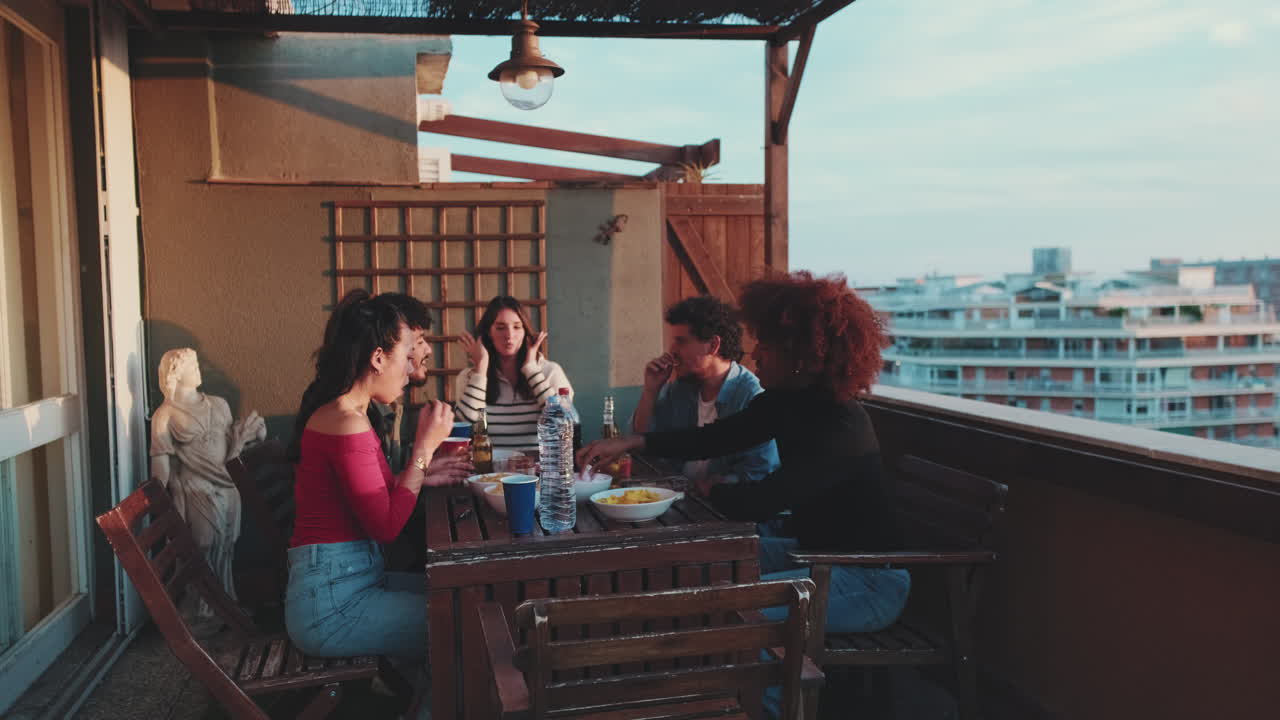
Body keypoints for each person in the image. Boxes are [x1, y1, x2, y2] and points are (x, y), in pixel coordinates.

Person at [579, 271, 910, 636]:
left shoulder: (840, 426)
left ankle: (760, 695)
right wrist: (633, 442)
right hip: (814, 554)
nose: (756, 356)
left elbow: (762, 501)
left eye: (766, 346)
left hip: (866, 578)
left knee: (732, 614)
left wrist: (710, 490)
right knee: (688, 570)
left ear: (799, 356)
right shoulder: (786, 402)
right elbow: (715, 439)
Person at [285, 289, 459, 661]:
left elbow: (369, 496)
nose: (412, 369)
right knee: (461, 621)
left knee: (459, 594)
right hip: (333, 607)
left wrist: (420, 473)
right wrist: (424, 452)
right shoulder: (346, 422)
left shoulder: (347, 414)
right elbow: (386, 526)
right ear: (378, 358)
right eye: (406, 356)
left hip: (343, 585)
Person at [150, 348, 265, 614]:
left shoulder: (218, 403)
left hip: (228, 487)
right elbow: (160, 469)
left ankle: (226, 603)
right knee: (202, 547)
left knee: (226, 548)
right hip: (196, 490)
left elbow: (232, 444)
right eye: (192, 365)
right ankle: (200, 610)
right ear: (176, 373)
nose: (198, 368)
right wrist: (165, 505)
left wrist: (252, 434)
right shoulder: (164, 416)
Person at [631, 295, 779, 487]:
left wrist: (715, 485)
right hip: (677, 499)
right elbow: (643, 441)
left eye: (681, 341)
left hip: (720, 509)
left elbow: (759, 474)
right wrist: (651, 391)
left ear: (713, 345)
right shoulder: (680, 390)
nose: (672, 350)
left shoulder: (750, 396)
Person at [454, 296, 573, 451]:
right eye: (500, 328)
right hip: (490, 472)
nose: (509, 335)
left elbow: (562, 422)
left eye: (517, 327)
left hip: (541, 469)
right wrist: (481, 368)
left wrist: (531, 369)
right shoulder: (469, 377)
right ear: (488, 332)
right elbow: (469, 425)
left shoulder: (550, 371)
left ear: (525, 331)